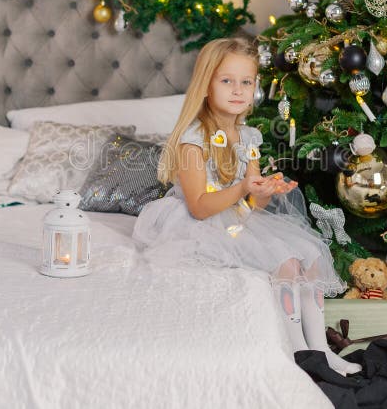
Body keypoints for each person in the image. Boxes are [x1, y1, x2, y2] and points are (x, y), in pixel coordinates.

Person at [133, 37, 361, 376]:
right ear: (206, 85)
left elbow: (254, 204)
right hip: (200, 221)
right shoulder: (192, 140)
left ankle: (321, 350)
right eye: (227, 80)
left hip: (237, 217)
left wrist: (266, 189)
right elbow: (198, 206)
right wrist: (242, 187)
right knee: (284, 262)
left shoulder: (249, 136)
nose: (238, 89)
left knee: (309, 257)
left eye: (247, 81)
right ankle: (300, 353)